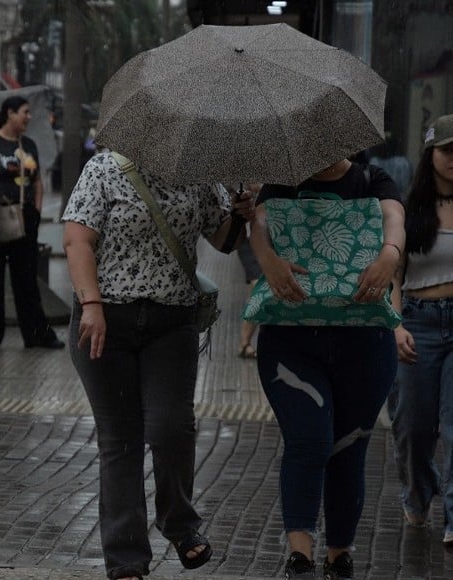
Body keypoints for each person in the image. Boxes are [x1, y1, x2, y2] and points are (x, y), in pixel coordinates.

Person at [61, 149, 254, 579]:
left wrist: (240, 214)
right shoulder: (104, 168)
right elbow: (77, 241)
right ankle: (126, 560)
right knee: (121, 440)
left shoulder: (202, 176)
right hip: (105, 321)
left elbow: (223, 241)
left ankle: (179, 522)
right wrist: (90, 304)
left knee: (172, 428)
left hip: (171, 324)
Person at [250, 157, 405, 579]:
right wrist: (268, 260)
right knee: (308, 441)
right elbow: (259, 226)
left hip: (365, 339)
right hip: (291, 340)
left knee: (349, 449)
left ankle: (340, 556)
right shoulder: (282, 180)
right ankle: (299, 555)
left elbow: (394, 217)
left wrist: (390, 253)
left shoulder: (373, 178)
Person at [389, 113, 453, 547]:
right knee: (413, 427)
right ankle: (418, 493)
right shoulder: (409, 212)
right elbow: (393, 276)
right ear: (431, 154)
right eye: (448, 151)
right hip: (417, 324)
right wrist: (395, 326)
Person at [0, 96, 64, 349]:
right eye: (24, 112)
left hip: (24, 219)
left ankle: (37, 335)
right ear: (10, 113)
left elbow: (37, 182)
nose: (28, 117)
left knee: (26, 280)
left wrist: (37, 211)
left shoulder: (28, 144)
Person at [233, 183, 263, 359]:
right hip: (247, 237)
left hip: (270, 236)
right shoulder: (238, 173)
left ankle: (245, 341)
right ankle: (245, 341)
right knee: (258, 285)